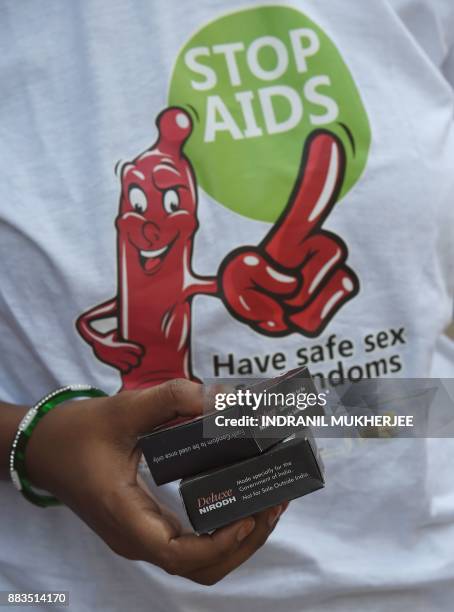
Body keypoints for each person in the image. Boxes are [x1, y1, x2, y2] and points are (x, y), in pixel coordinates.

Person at [1, 0, 454, 610]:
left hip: (419, 580)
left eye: (166, 203)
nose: (149, 219)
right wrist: (30, 442)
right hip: (69, 593)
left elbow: (413, 383)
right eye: (137, 200)